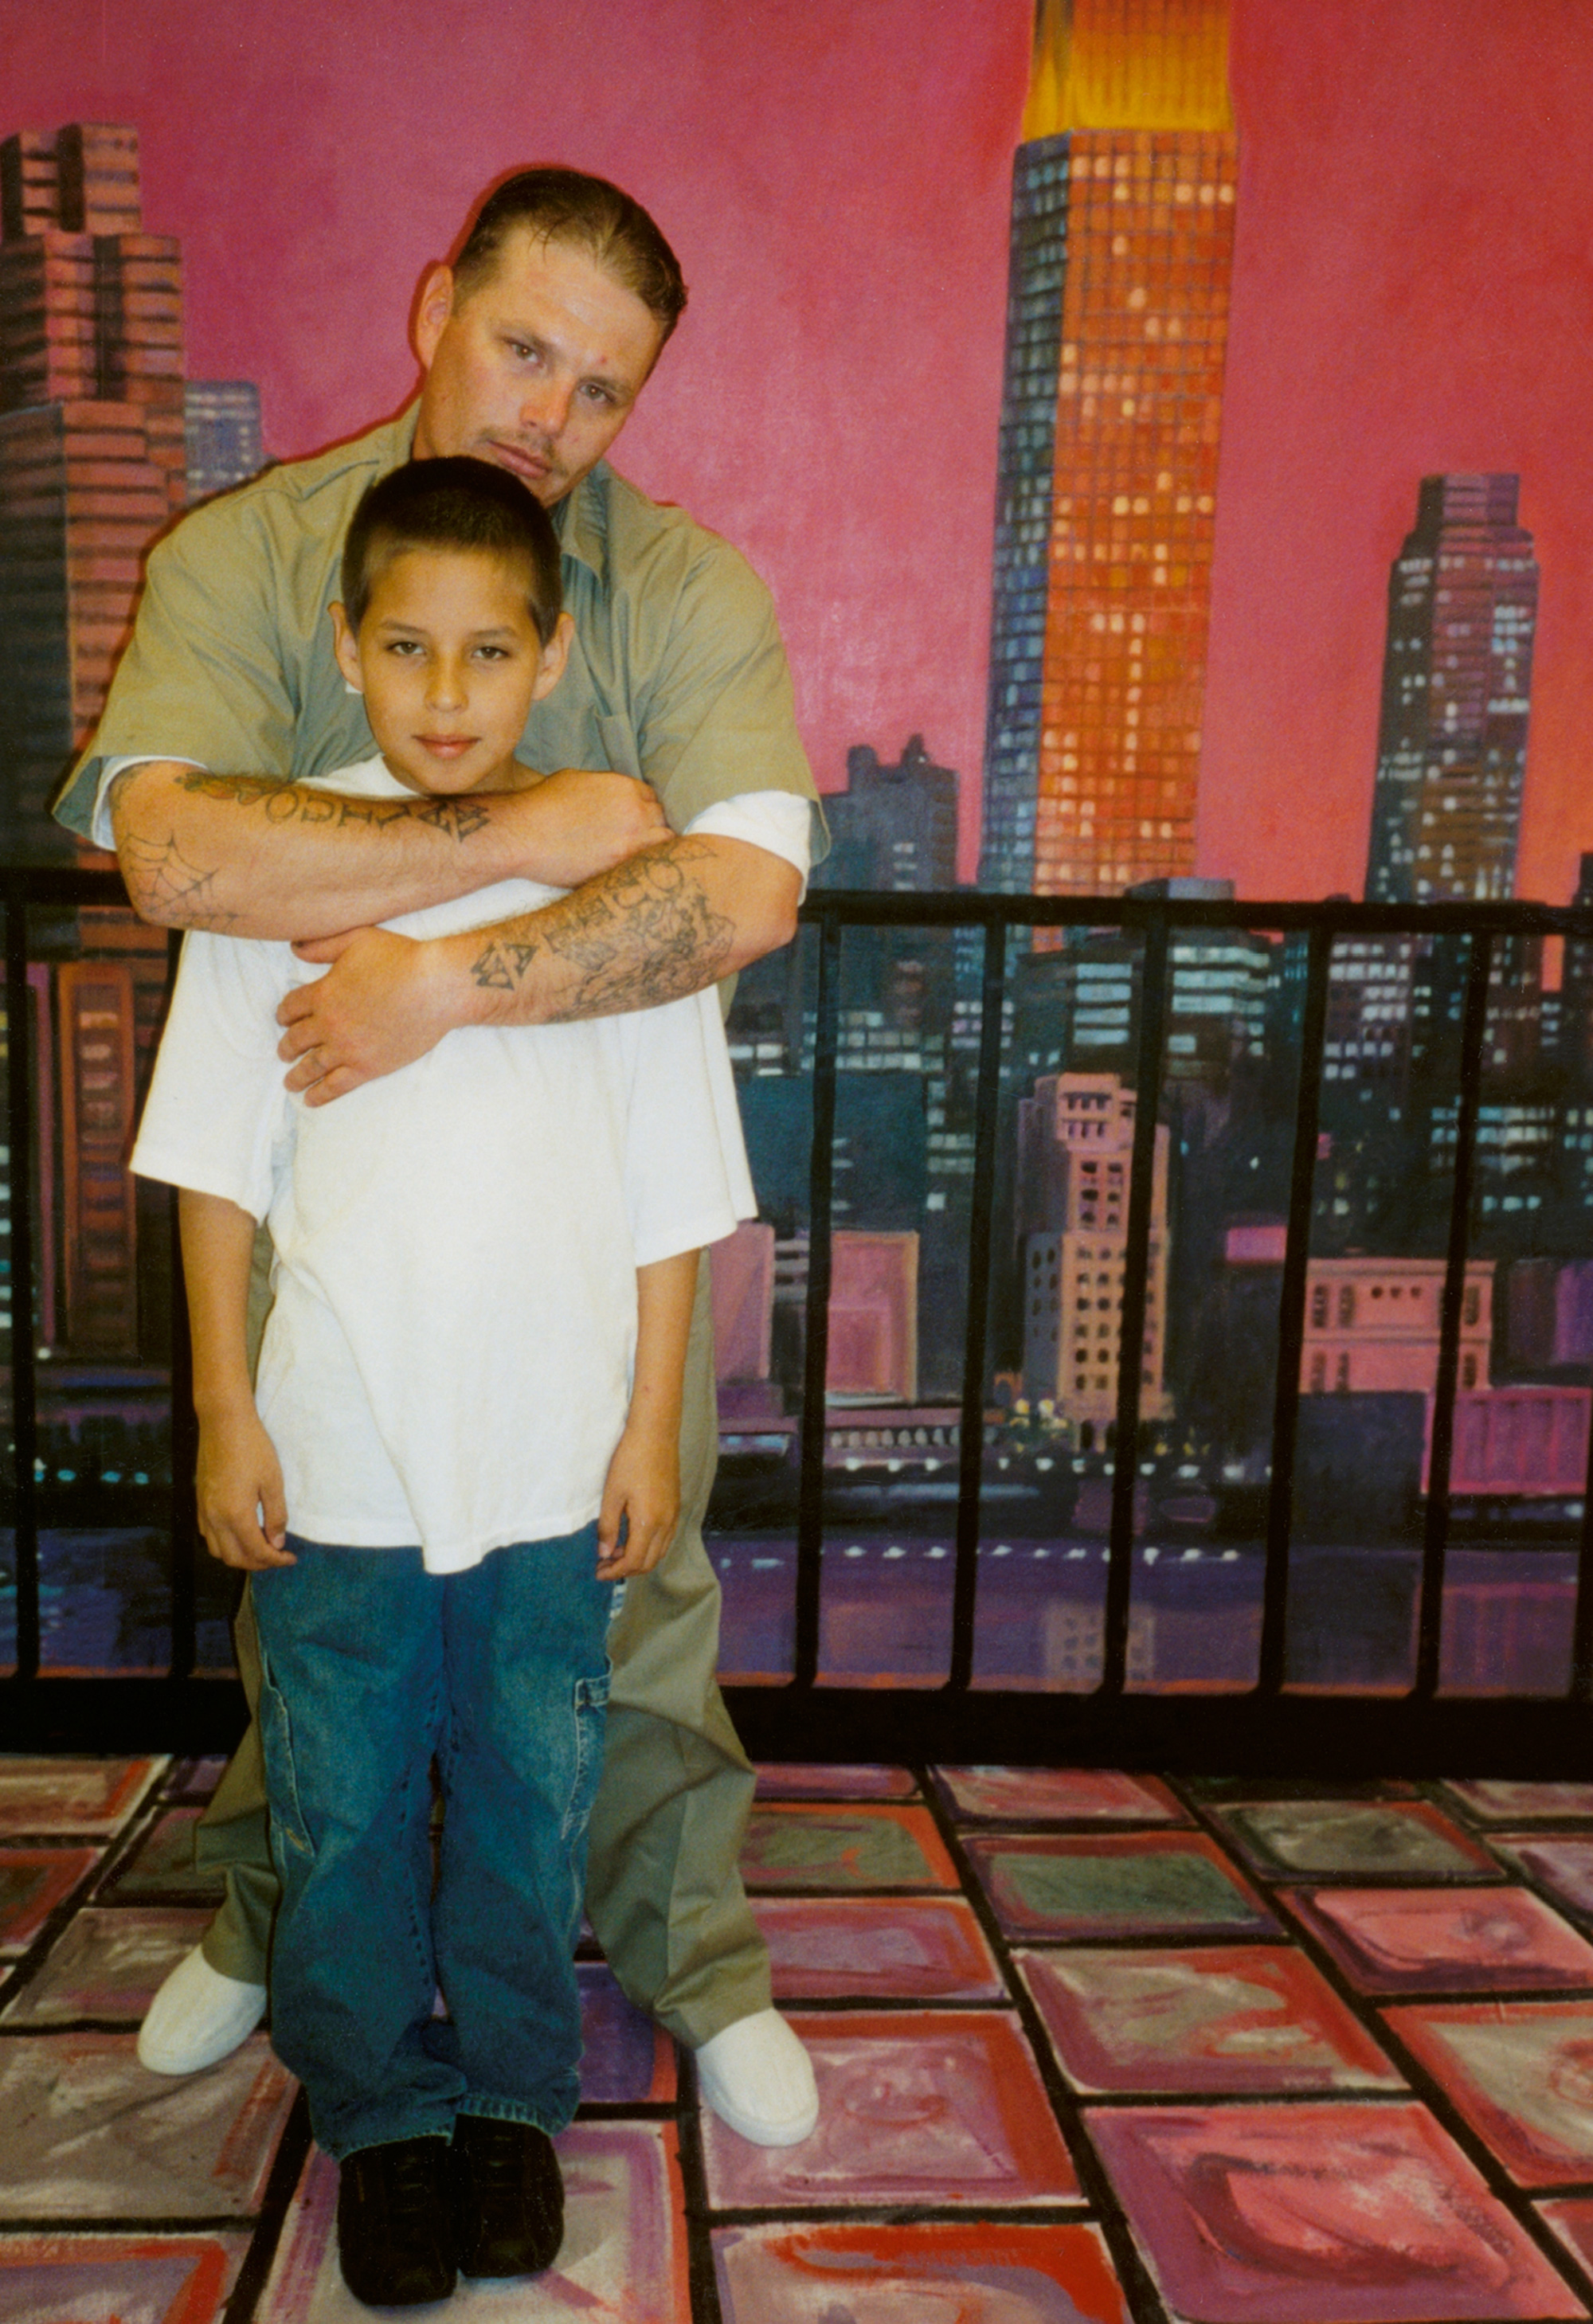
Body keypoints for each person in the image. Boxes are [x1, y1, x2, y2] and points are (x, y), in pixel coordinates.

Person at [54, 167, 822, 2147]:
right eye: (523, 345)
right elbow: (179, 857)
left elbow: (737, 890)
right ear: (433, 308)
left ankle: (692, 1957)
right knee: (327, 1635)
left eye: (602, 387)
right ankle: (279, 1916)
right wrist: (530, 830)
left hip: (586, 1246)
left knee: (620, 1645)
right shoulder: (252, 552)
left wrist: (440, 981)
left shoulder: (687, 588)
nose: (550, 413)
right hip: (339, 1241)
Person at [132, 454, 757, 2304]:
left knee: (522, 1800)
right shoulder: (288, 862)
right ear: (348, 643)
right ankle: (380, 2110)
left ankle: (504, 2094)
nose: (447, 692)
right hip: (336, 1465)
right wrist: (228, 1411)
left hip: (551, 1471)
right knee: (334, 1801)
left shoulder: (627, 893)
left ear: (552, 657)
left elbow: (671, 1206)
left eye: (490, 650)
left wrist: (647, 1423)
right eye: (405, 645)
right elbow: (217, 1172)